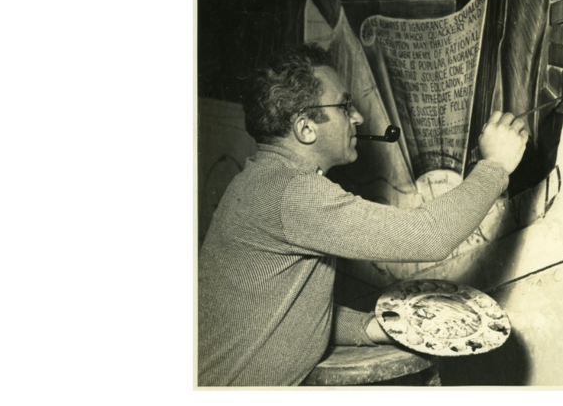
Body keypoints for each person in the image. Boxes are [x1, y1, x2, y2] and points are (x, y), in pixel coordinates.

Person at [198, 45, 529, 386]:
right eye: (344, 106)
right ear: (306, 128)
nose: (357, 117)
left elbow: (283, 311)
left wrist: (371, 327)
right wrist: (495, 167)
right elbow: (428, 236)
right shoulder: (292, 193)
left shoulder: (262, 181)